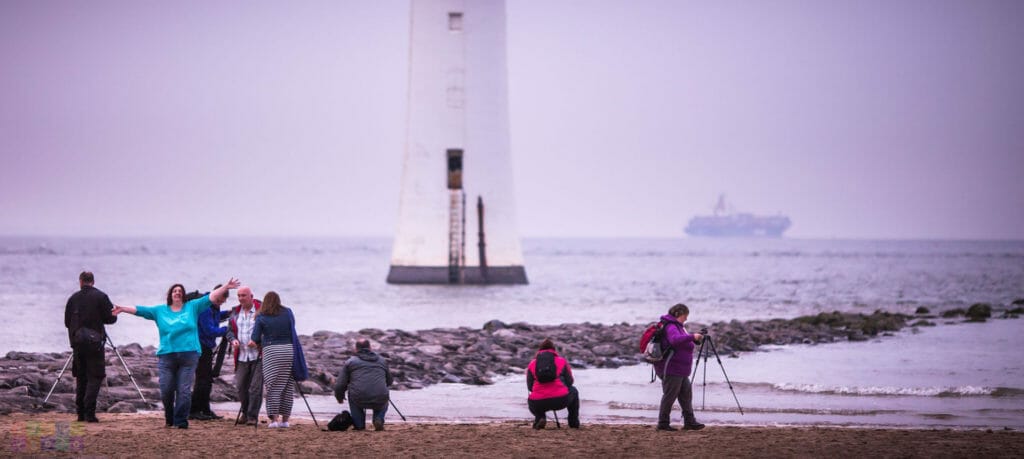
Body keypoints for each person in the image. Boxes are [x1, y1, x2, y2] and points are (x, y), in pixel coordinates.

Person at [113, 278, 240, 429]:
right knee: (166, 389)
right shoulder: (160, 310)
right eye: (175, 290)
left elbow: (211, 297)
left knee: (184, 390)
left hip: (189, 355)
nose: (177, 292)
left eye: (180, 291)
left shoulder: (192, 307)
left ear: (183, 295)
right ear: (170, 295)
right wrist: (122, 309)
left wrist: (227, 286)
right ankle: (169, 417)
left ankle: (180, 421)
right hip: (167, 356)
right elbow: (140, 310)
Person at [64, 271, 117, 423]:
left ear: (80, 281)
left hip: (78, 344)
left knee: (81, 377)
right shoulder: (101, 296)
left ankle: (80, 414)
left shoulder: (73, 298)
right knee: (95, 376)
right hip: (95, 344)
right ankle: (89, 413)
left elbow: (67, 322)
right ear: (93, 282)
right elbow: (110, 318)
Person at [654, 303, 705, 431]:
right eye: (685, 316)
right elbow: (675, 340)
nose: (686, 319)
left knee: (686, 394)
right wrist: (692, 336)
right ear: (678, 314)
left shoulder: (678, 326)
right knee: (670, 395)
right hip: (671, 368)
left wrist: (694, 339)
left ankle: (689, 422)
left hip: (680, 369)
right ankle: (663, 423)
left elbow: (681, 340)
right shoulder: (671, 326)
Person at [250, 291, 296, 428]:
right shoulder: (288, 312)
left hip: (271, 351)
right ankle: (285, 421)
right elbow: (292, 328)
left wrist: (256, 343)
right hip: (288, 349)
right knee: (287, 385)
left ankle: (274, 420)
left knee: (273, 386)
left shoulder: (262, 316)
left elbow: (255, 337)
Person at [333, 338, 393, 431]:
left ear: (356, 349)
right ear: (370, 348)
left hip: (359, 397)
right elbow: (389, 381)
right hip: (380, 397)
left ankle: (359, 424)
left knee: (352, 393)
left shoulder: (350, 362)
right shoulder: (382, 361)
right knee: (384, 397)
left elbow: (340, 384)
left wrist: (339, 397)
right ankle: (378, 419)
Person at [190, 284, 231, 421]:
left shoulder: (213, 306)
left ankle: (205, 409)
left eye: (221, 302)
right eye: (219, 300)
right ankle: (194, 410)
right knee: (202, 380)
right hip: (200, 347)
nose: (219, 303)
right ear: (215, 295)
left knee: (207, 380)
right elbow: (209, 330)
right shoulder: (206, 308)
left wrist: (229, 313)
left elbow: (217, 317)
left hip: (206, 347)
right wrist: (226, 330)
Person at [225, 286, 262, 425]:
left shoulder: (261, 310)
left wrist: (258, 341)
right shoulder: (235, 311)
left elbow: (268, 329)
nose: (241, 298)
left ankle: (252, 417)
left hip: (258, 355)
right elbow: (229, 331)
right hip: (241, 356)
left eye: (244, 295)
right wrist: (232, 340)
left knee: (255, 388)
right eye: (239, 296)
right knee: (240, 386)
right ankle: (245, 412)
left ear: (251, 296)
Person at [526, 338, 580, 429]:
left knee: (532, 397)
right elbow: (570, 382)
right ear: (554, 350)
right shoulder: (562, 361)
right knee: (574, 391)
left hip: (538, 403)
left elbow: (530, 387)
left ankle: (540, 418)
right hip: (560, 400)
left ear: (539, 350)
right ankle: (573, 422)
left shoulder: (532, 364)